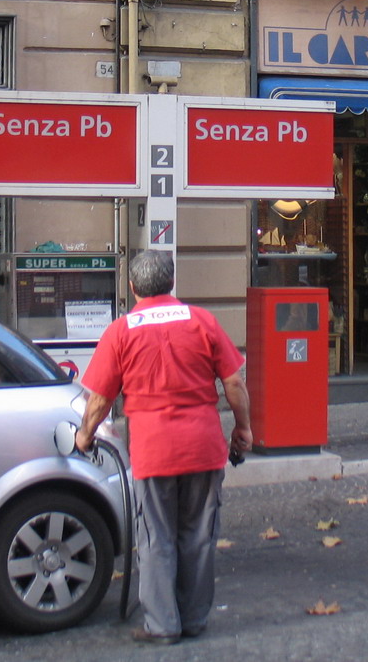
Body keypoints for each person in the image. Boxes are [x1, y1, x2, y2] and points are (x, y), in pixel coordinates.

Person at [76, 250, 252, 646]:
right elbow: (234, 382)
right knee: (199, 536)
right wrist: (243, 428)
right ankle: (193, 619)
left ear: (132, 287)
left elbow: (100, 399)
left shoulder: (121, 331)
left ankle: (162, 625)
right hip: (203, 447)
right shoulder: (202, 320)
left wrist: (85, 436)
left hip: (153, 451)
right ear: (172, 282)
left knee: (156, 538)